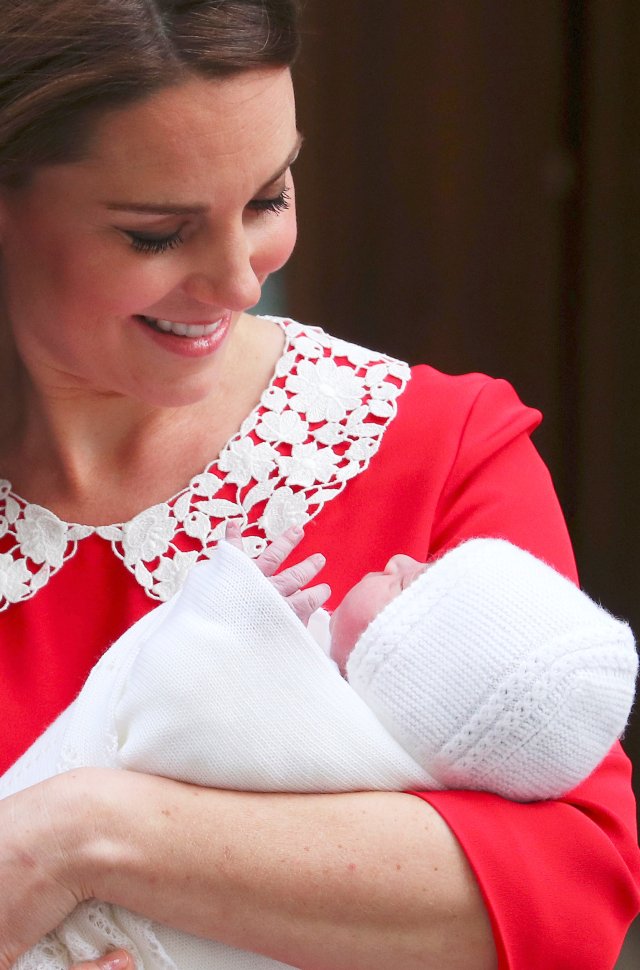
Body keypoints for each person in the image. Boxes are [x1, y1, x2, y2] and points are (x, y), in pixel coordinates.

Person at [0, 2, 637, 969]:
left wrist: (83, 838)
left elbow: (569, 888)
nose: (238, 283)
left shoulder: (439, 447)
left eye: (266, 199)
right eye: (156, 235)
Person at [3, 529, 636, 967]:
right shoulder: (387, 766)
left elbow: (169, 718)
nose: (410, 561)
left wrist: (237, 613)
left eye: (422, 589)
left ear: (411, 673)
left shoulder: (323, 741)